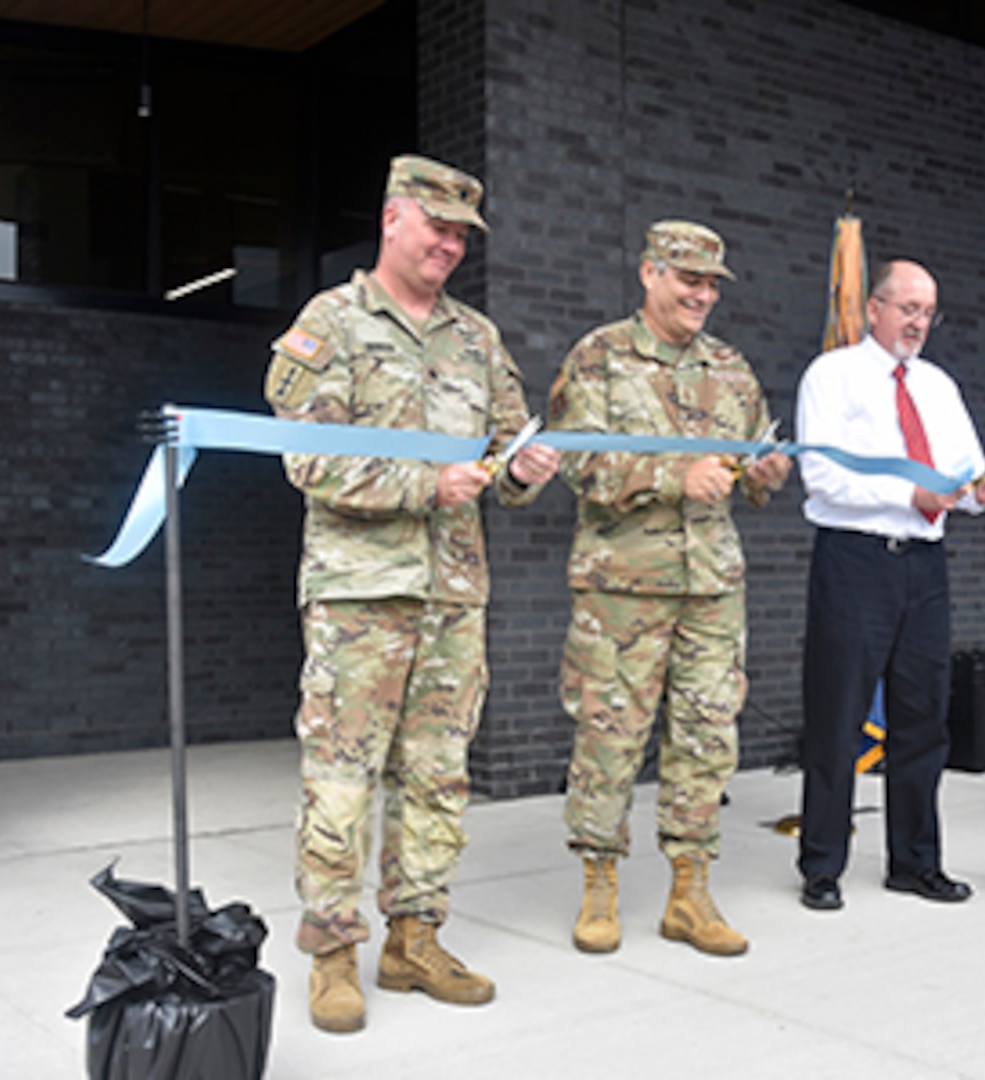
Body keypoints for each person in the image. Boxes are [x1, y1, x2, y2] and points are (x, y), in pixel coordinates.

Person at [264, 154, 560, 1034]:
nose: (450, 244)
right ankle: (330, 954)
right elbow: (308, 459)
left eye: (462, 233)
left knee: (437, 777)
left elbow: (507, 450)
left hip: (453, 597)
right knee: (342, 778)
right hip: (360, 598)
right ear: (392, 218)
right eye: (436, 226)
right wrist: (423, 487)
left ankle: (413, 938)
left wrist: (526, 471)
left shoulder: (478, 338)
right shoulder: (333, 323)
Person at [548, 220, 792, 957]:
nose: (703, 295)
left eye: (713, 283)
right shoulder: (599, 357)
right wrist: (668, 475)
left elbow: (749, 466)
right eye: (690, 279)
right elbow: (573, 462)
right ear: (651, 274)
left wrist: (764, 475)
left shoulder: (731, 366)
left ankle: (690, 893)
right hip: (623, 586)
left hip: (712, 586)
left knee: (707, 736)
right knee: (609, 738)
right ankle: (599, 886)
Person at [794, 258, 985, 912]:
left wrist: (984, 493)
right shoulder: (830, 375)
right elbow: (823, 478)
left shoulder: (940, 386)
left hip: (924, 564)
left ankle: (915, 862)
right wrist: (910, 490)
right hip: (855, 562)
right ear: (874, 309)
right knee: (838, 716)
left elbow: (964, 476)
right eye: (908, 308)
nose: (918, 322)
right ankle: (822, 865)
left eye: (928, 312)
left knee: (924, 719)